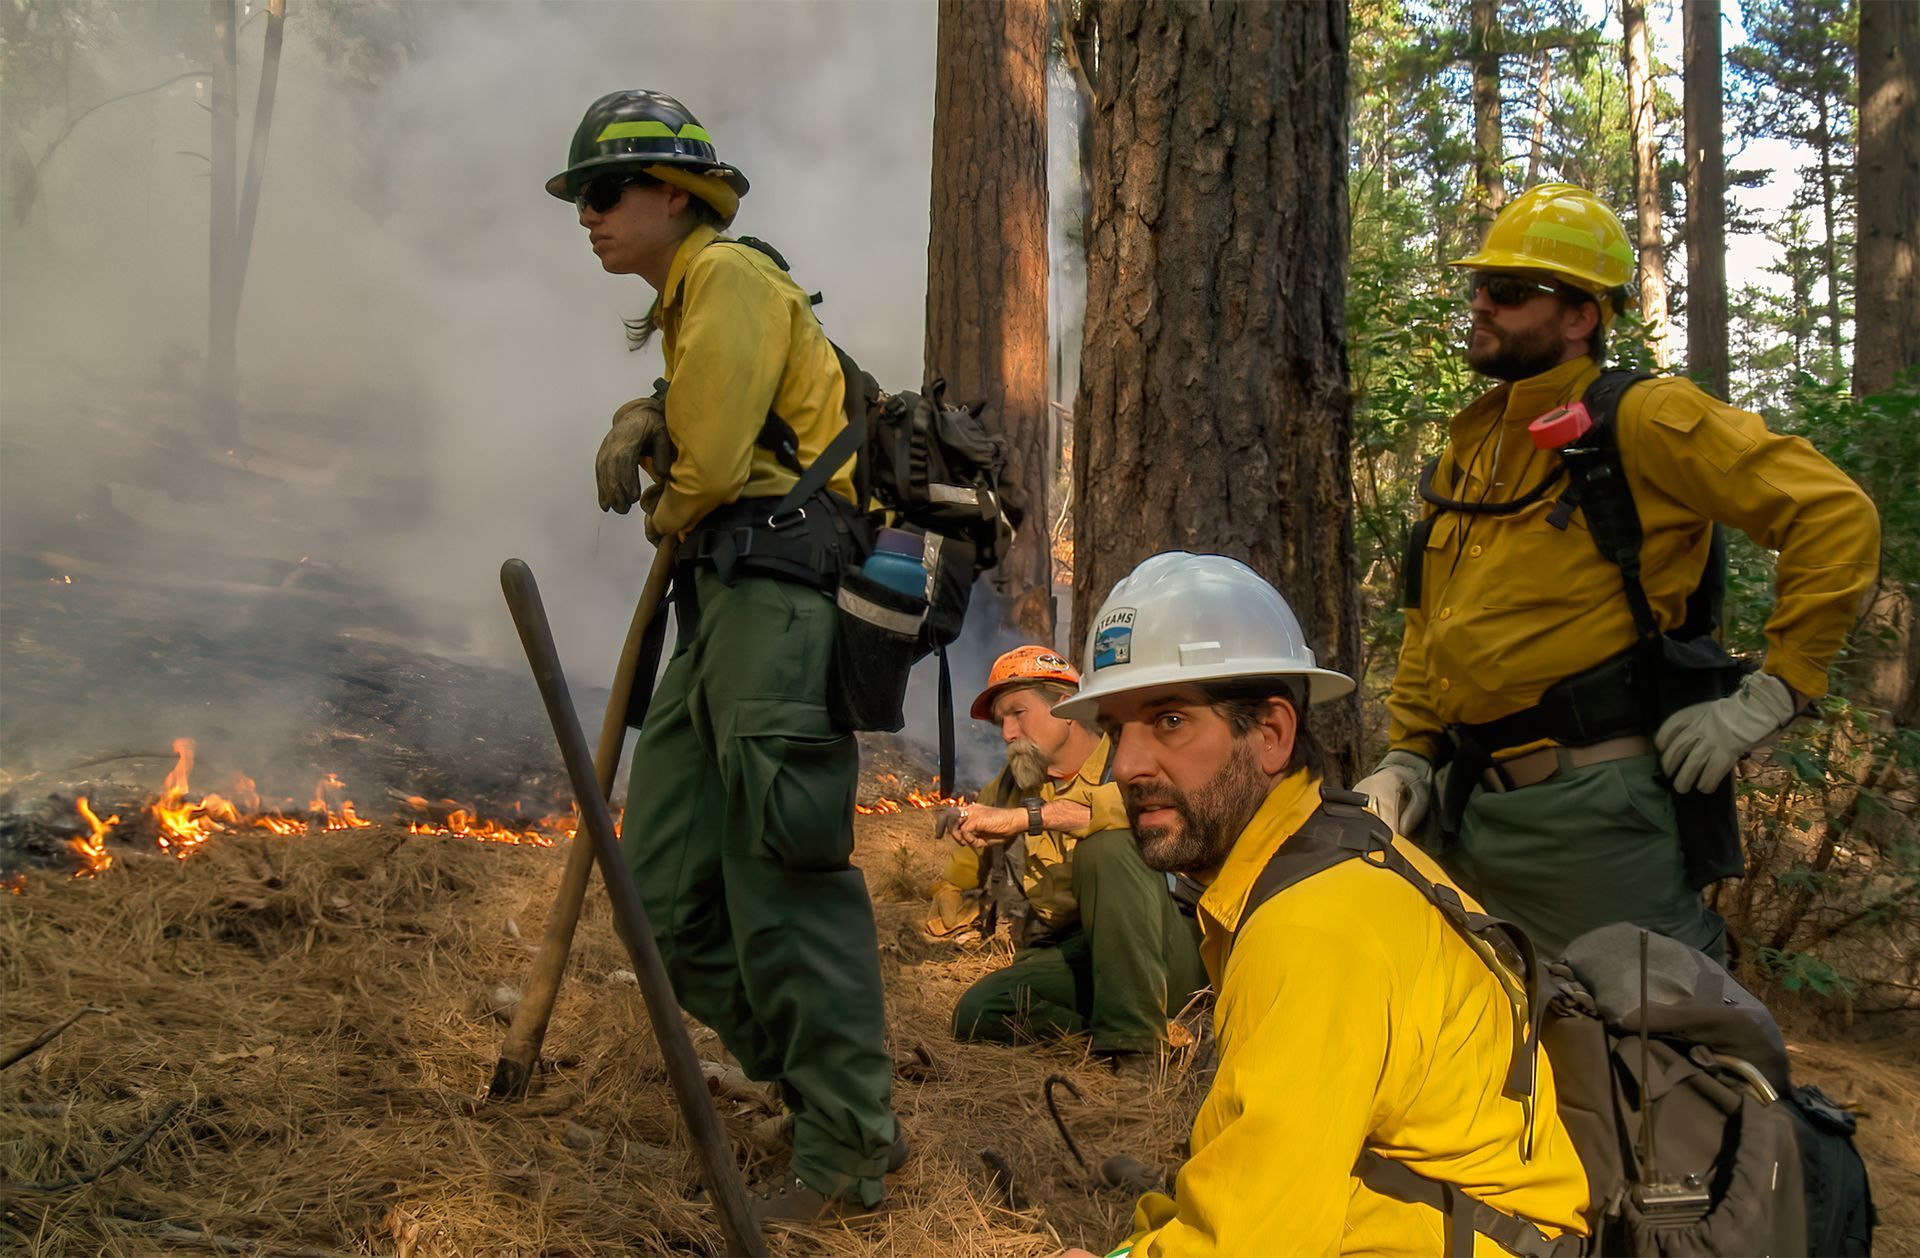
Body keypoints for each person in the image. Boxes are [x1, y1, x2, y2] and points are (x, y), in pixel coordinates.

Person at [1356, 183, 1880, 960]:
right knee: (1466, 1046)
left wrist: (1773, 692)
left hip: (1593, 818)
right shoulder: (1473, 450)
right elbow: (1436, 627)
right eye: (1478, 287)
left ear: (1580, 316)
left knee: (1645, 1051)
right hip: (1467, 812)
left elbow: (1834, 514)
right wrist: (1409, 755)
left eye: (1506, 291)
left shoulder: (1642, 418)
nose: (1481, 305)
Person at [550, 89, 896, 1225]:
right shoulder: (696, 302)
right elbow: (699, 433)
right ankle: (814, 1092)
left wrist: (661, 456)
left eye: (606, 194)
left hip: (777, 604)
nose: (590, 216)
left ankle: (848, 1152)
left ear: (674, 195)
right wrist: (643, 412)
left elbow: (705, 468)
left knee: (781, 883)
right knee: (656, 893)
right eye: (582, 199)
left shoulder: (735, 279)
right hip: (721, 603)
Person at [1056, 552, 1590, 1255]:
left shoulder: (1312, 925)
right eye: (1117, 727)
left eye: (1171, 720)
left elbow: (1255, 1243)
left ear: (1270, 734)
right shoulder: (1320, 848)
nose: (1126, 765)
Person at [937, 646, 1205, 1066]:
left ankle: (1137, 1051)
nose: (1007, 732)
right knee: (977, 1014)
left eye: (1018, 713)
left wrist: (1025, 819)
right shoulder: (1012, 784)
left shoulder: (1131, 764)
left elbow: (1125, 809)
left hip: (1160, 945)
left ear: (1064, 707)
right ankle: (1122, 1034)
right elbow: (969, 858)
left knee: (1110, 845)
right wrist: (958, 845)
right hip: (1067, 954)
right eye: (1001, 721)